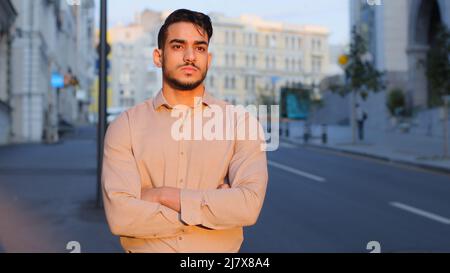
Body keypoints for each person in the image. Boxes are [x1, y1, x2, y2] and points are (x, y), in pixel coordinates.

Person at [101, 9, 268, 253]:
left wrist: (159, 196)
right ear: (158, 57)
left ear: (208, 59)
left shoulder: (241, 124)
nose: (190, 56)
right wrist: (213, 211)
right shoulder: (125, 126)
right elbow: (121, 217)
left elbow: (248, 207)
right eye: (178, 46)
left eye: (199, 48)